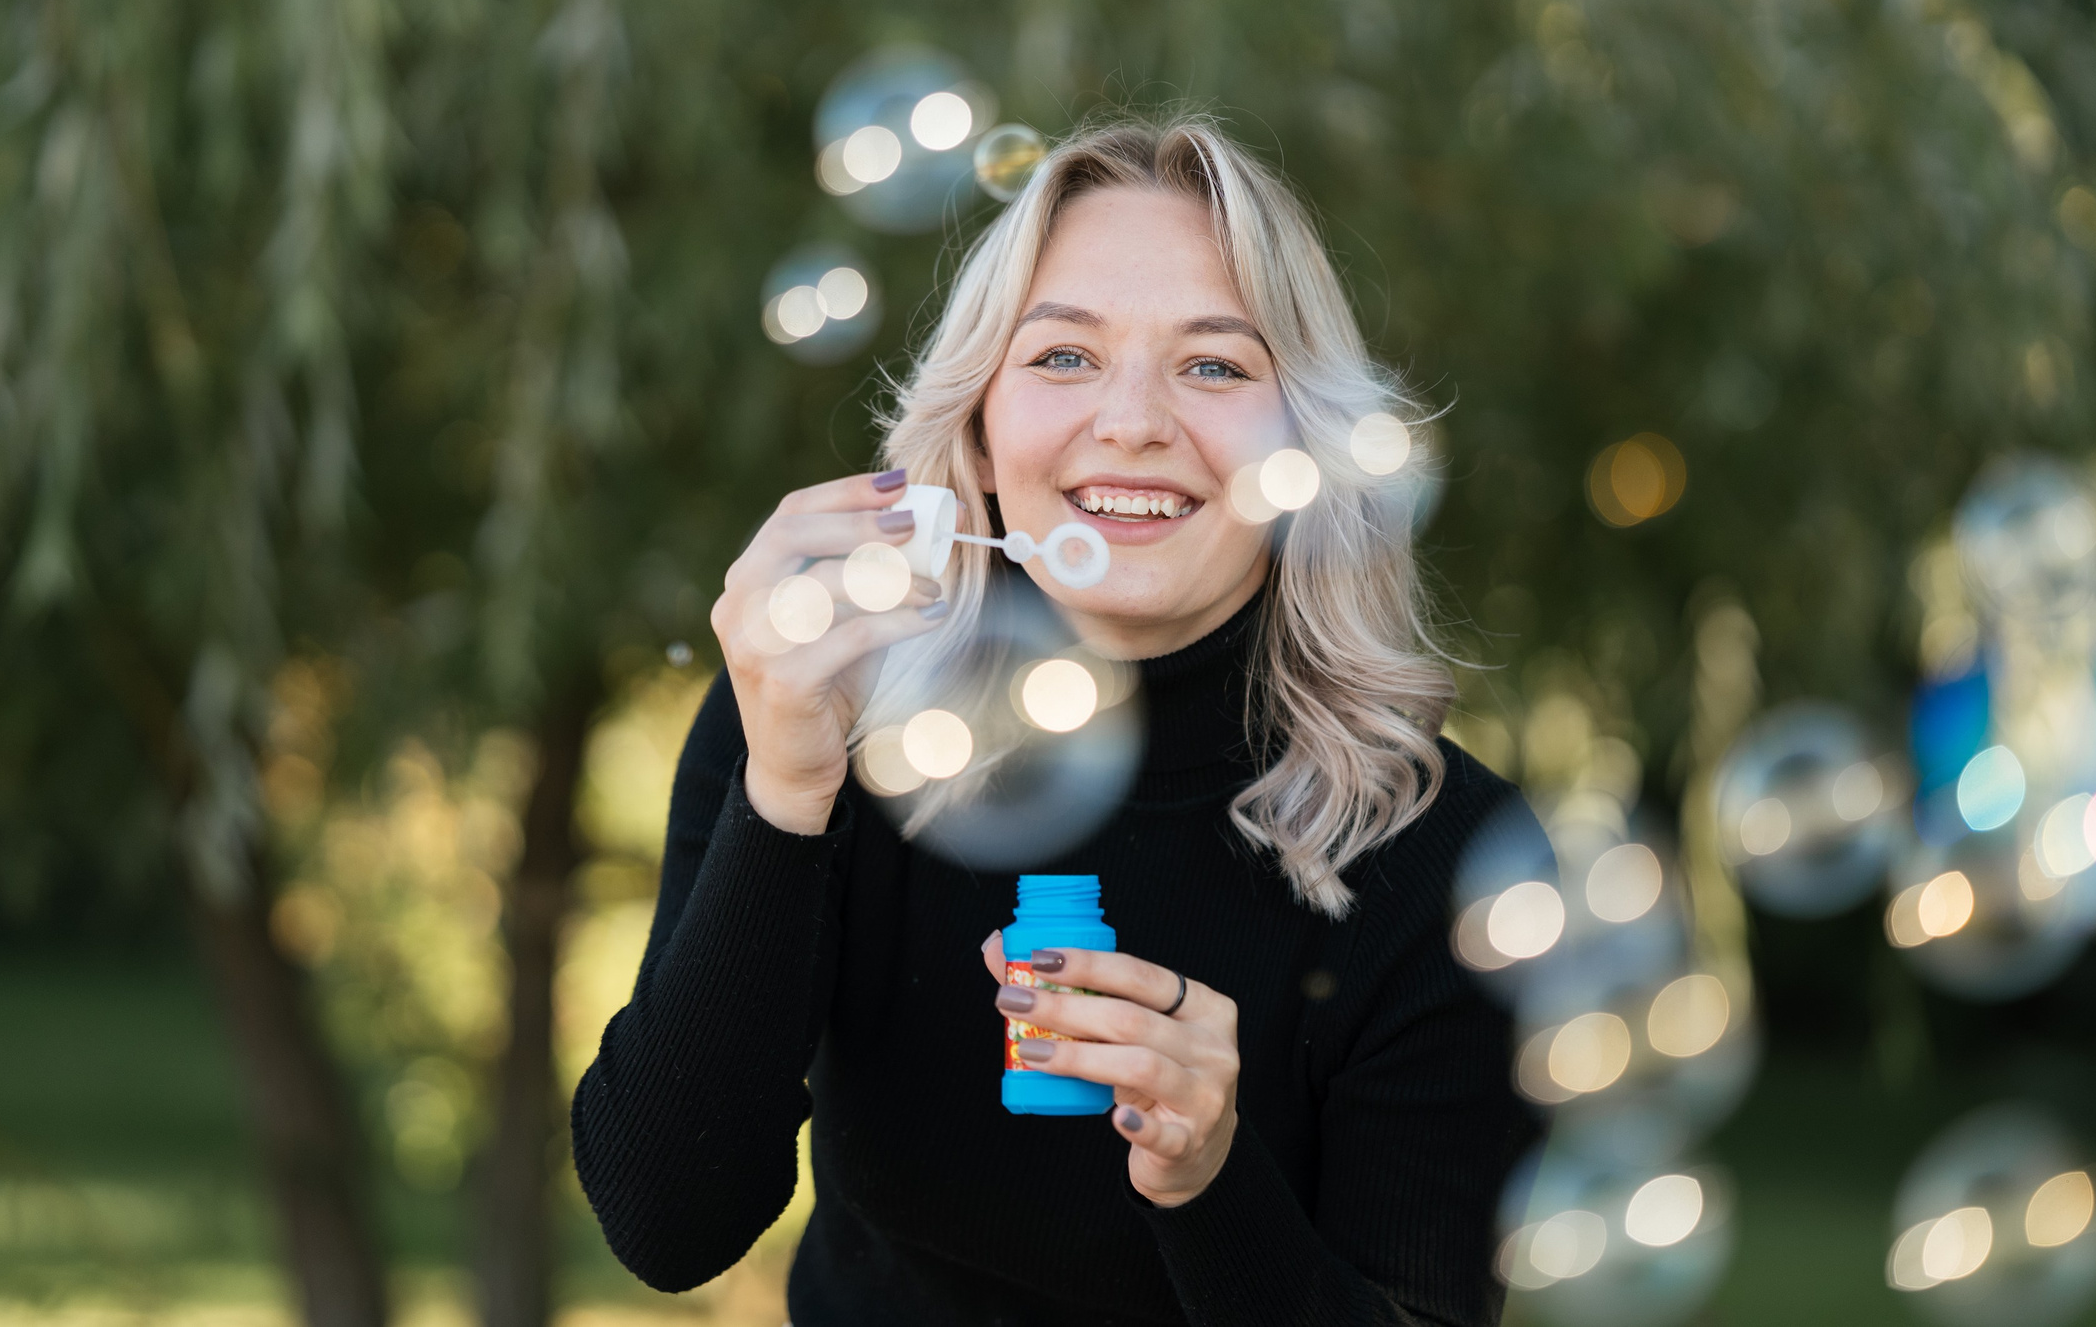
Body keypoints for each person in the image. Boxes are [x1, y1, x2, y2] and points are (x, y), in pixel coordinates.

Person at [573, 116, 1541, 1325]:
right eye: (1064, 356)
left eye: (1215, 367)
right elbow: (667, 1224)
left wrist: (1209, 1180)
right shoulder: (820, 714)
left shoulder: (1448, 860)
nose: (1130, 422)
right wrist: (784, 796)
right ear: (977, 430)